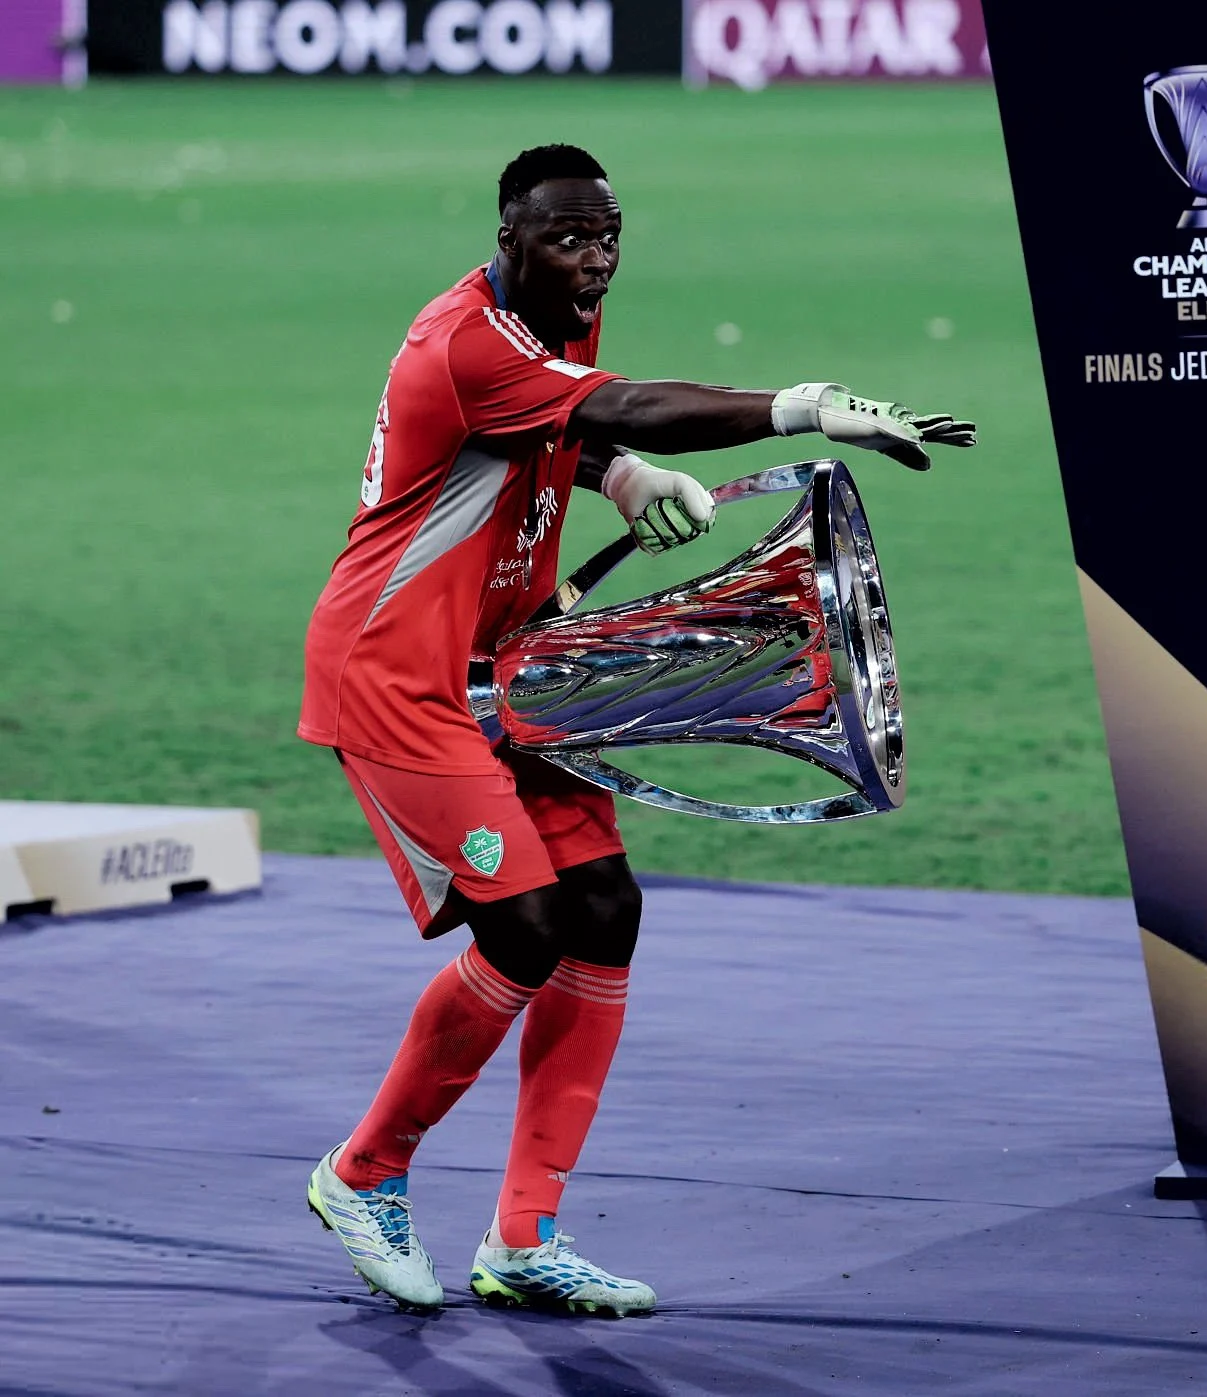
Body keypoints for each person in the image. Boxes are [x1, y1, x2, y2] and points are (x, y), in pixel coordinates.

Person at [296, 144, 975, 1315]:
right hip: (400, 679)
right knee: (525, 926)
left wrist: (612, 477)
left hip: (507, 667)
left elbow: (568, 422)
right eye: (567, 238)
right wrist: (801, 408)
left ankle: (522, 1235)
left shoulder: (550, 319)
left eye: (608, 235)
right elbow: (601, 402)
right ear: (507, 239)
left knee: (604, 907)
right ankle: (364, 1171)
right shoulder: (463, 339)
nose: (594, 258)